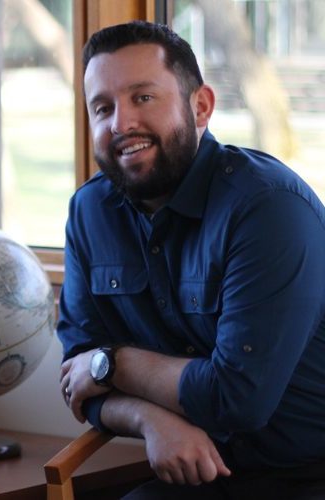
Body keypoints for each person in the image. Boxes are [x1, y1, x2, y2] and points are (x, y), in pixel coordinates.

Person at [58, 20, 325, 499]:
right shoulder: (89, 212)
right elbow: (78, 381)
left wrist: (114, 364)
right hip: (193, 473)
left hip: (307, 474)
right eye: (103, 107)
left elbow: (237, 398)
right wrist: (150, 419)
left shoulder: (268, 208)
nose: (121, 124)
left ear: (200, 106)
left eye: (143, 97)